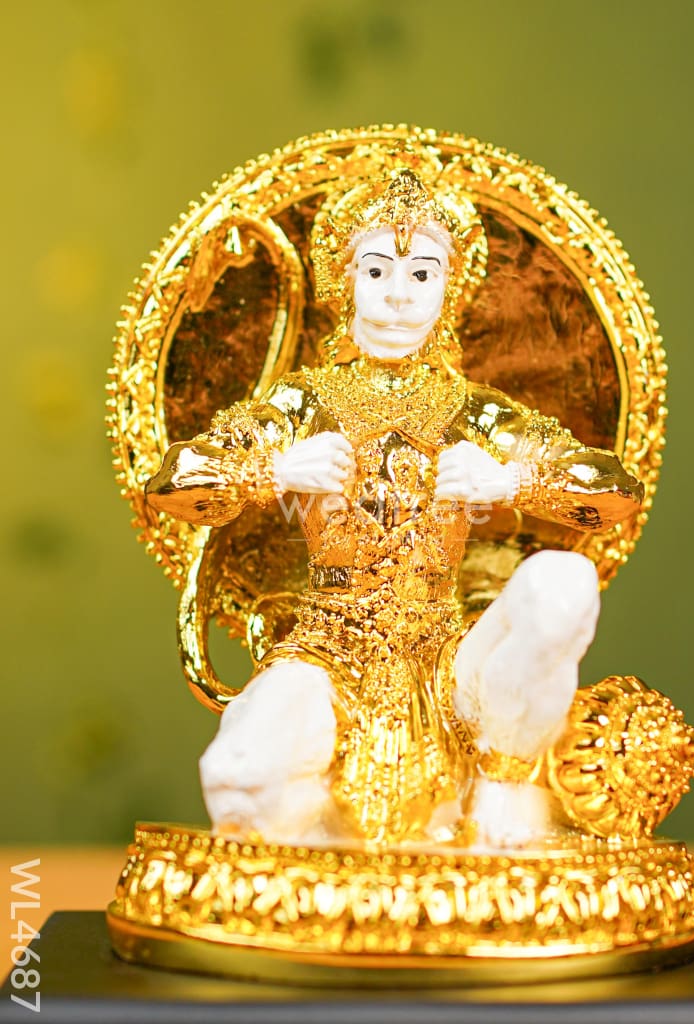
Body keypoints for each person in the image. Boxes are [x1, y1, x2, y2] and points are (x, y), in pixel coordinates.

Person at [146, 168, 643, 846]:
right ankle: (338, 843)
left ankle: (499, 785)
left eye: (422, 275)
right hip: (327, 651)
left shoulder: (474, 413)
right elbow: (174, 482)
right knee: (239, 777)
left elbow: (614, 490)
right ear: (345, 279)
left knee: (566, 584)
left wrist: (509, 483)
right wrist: (274, 470)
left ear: (450, 288)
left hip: (450, 658)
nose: (399, 296)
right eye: (377, 271)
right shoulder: (303, 401)